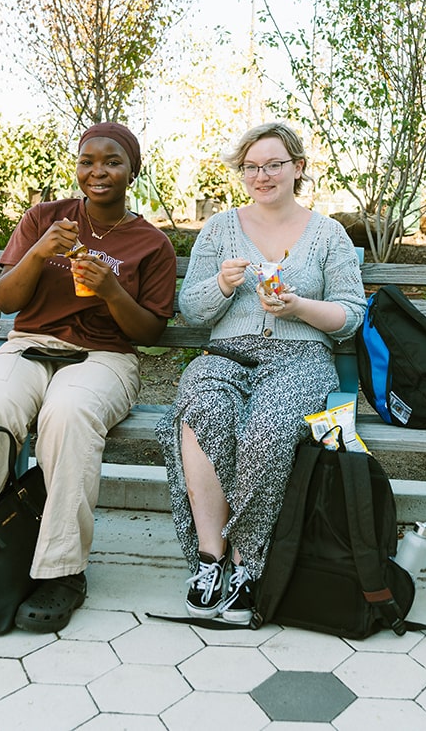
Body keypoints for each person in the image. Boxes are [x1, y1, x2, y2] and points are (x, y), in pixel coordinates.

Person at [0, 122, 177, 633]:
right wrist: (38, 251)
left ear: (132, 170)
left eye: (112, 161)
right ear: (77, 167)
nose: (98, 172)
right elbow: (7, 301)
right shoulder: (45, 218)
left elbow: (152, 332)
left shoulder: (150, 242)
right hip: (29, 345)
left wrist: (112, 291)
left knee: (68, 415)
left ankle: (62, 570)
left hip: (106, 357)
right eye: (88, 161)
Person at [155, 121, 366, 625]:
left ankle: (249, 564)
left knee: (266, 430)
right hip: (226, 354)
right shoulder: (220, 228)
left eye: (273, 164)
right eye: (251, 167)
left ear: (297, 168)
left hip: (301, 357)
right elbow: (191, 309)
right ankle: (210, 561)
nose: (262, 175)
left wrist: (299, 308)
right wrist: (223, 288)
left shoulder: (328, 233)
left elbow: (351, 315)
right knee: (199, 410)